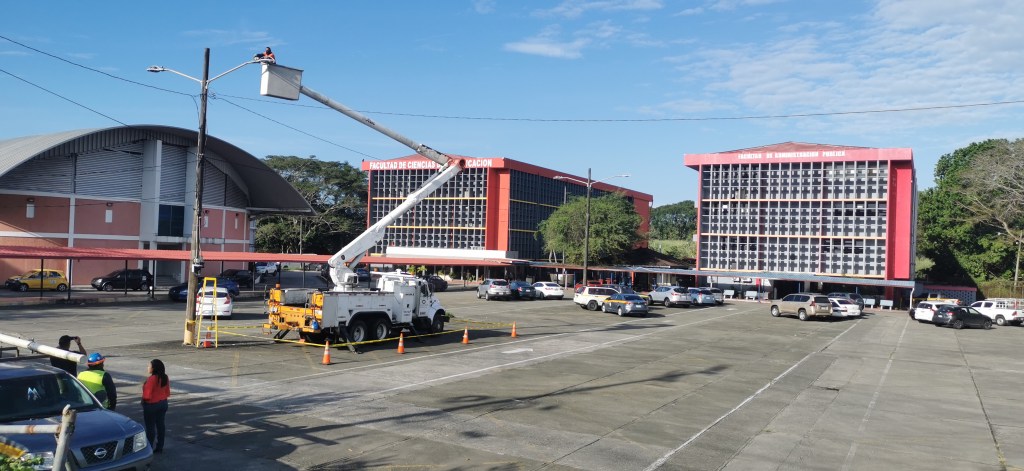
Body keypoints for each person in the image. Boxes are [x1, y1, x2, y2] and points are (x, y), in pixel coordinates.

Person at [142, 359, 170, 453]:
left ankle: (149, 447)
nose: (147, 367)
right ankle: (160, 446)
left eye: (149, 366)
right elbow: (167, 392)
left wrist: (144, 403)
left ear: (154, 368)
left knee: (150, 428)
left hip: (152, 405)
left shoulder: (151, 379)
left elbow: (147, 395)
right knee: (161, 425)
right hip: (163, 403)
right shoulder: (165, 377)